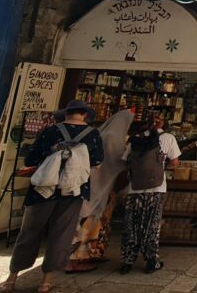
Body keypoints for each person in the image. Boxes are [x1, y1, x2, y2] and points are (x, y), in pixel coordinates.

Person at [0, 100, 104, 293]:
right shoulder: (93, 134)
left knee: (29, 232)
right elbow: (97, 162)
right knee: (62, 234)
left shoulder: (50, 131)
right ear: (85, 115)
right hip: (73, 191)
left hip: (43, 189)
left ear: (66, 114)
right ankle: (46, 281)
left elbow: (31, 159)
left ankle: (11, 278)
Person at [65, 109, 133, 273]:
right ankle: (74, 260)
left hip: (102, 185)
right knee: (87, 221)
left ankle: (94, 252)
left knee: (100, 221)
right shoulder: (112, 137)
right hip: (98, 185)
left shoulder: (106, 134)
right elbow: (114, 161)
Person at [119, 113, 180, 275]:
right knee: (152, 225)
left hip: (135, 188)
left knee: (131, 224)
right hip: (156, 188)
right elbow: (175, 163)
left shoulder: (135, 138)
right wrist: (160, 166)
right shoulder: (168, 138)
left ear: (146, 123)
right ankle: (151, 261)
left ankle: (127, 261)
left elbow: (125, 161)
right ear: (162, 123)